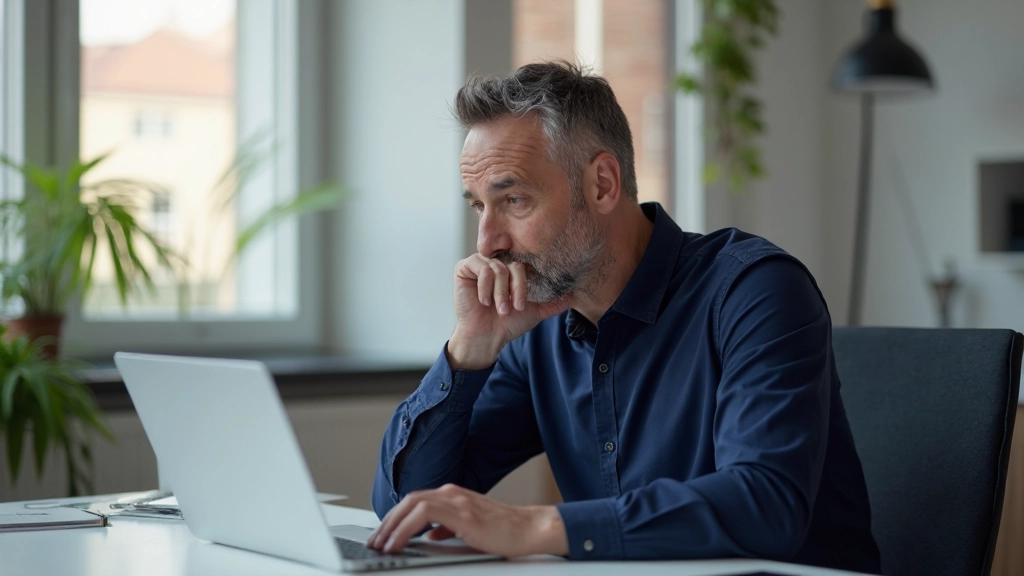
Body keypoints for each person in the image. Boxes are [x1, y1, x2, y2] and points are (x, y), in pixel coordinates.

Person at [367, 61, 880, 573]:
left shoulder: (754, 291)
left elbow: (765, 504)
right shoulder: (537, 328)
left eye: (514, 199)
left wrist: (538, 526)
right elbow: (405, 508)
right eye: (479, 207)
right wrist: (468, 350)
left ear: (603, 184)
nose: (487, 243)